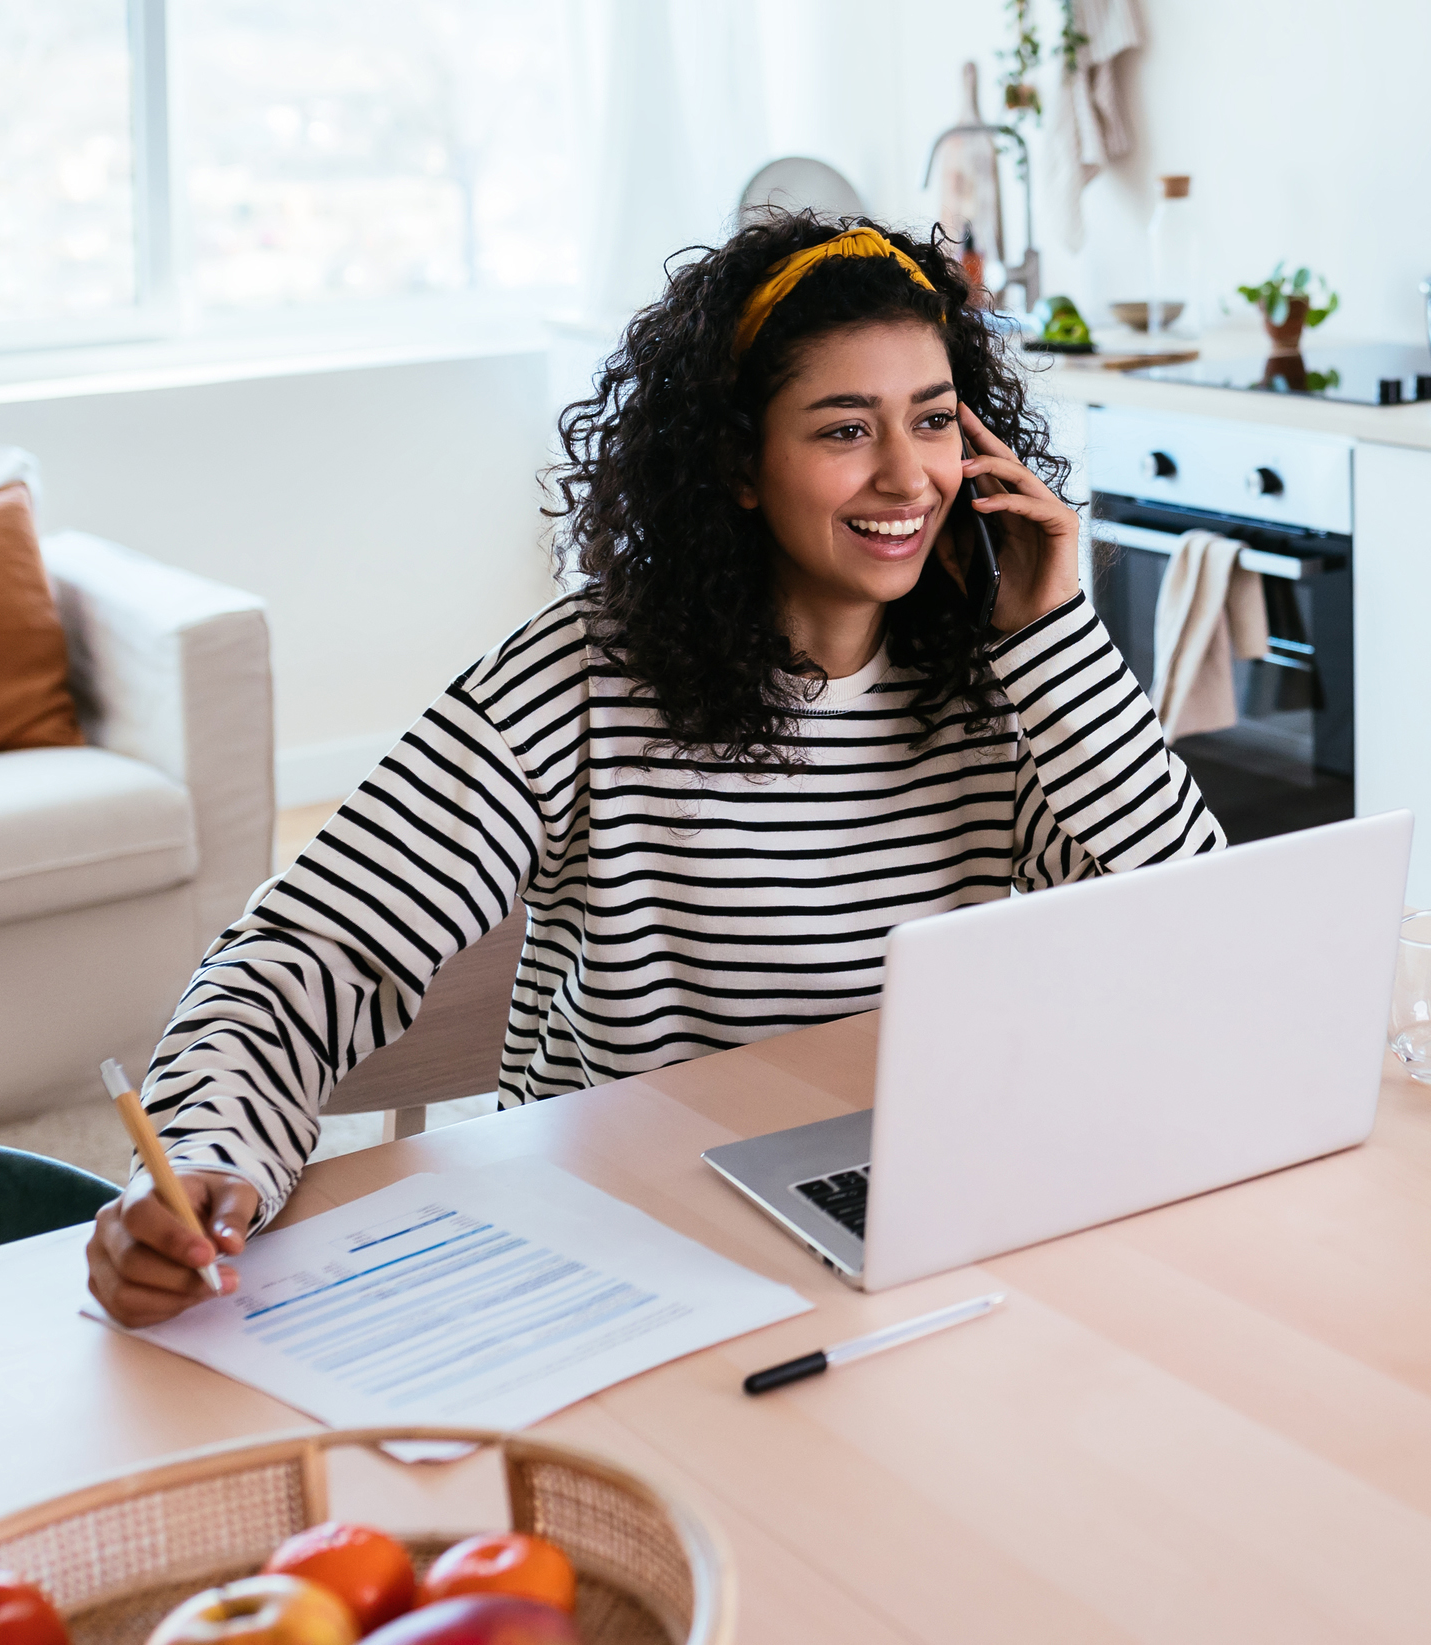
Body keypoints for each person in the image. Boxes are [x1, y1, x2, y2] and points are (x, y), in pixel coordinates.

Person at [87, 212, 1226, 1325]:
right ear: (739, 464)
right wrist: (200, 1154)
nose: (907, 477)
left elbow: (1200, 940)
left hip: (924, 1229)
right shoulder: (582, 677)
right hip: (627, 1253)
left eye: (932, 422)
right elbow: (309, 952)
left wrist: (1054, 638)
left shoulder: (1015, 677)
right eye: (843, 430)